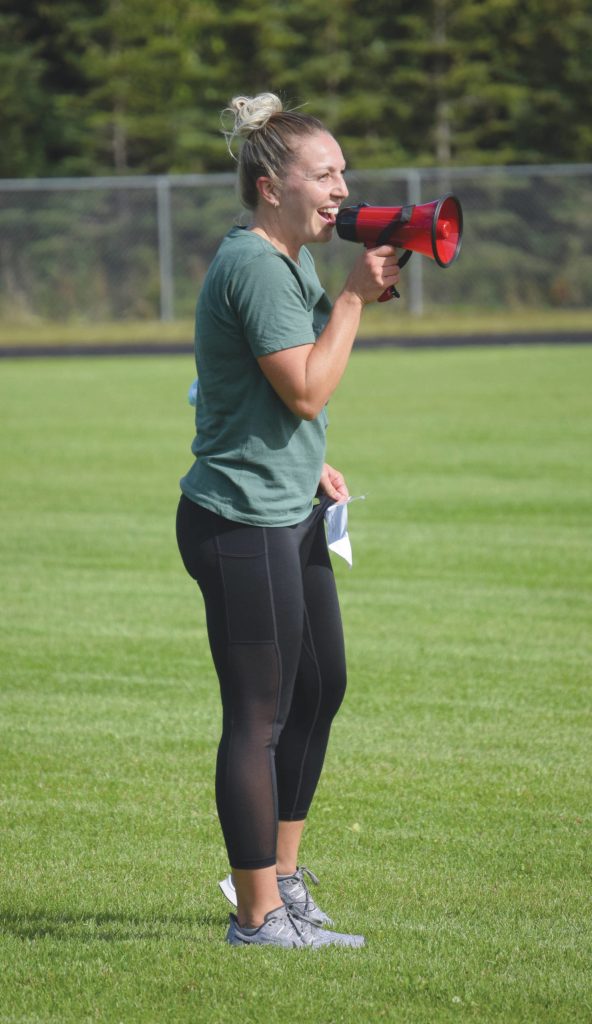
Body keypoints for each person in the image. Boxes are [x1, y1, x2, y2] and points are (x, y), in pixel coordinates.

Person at [176, 92, 399, 948]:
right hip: (240, 524)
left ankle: (284, 882)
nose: (342, 189)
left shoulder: (287, 258)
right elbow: (306, 385)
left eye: (344, 172)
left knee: (318, 689)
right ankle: (256, 915)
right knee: (259, 717)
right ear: (271, 186)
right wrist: (349, 300)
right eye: (325, 174)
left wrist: (312, 463)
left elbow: (277, 397)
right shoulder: (261, 266)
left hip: (287, 505)